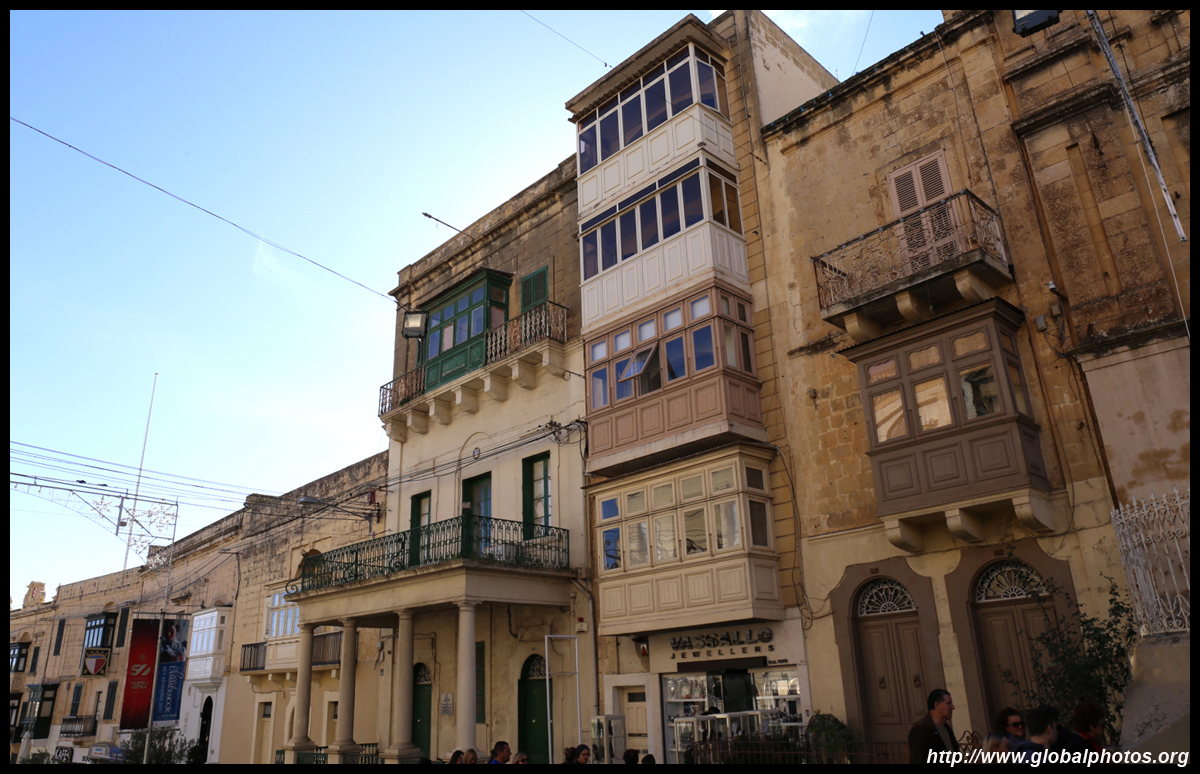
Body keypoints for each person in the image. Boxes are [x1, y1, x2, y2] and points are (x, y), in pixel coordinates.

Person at [908, 689, 960, 764]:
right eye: (948, 703)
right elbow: (919, 759)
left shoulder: (947, 728)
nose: (953, 707)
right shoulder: (921, 729)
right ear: (937, 705)